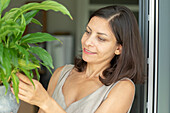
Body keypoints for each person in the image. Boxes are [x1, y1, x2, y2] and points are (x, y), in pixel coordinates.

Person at [12, 5, 145, 113]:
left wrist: (45, 102)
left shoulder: (122, 88)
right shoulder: (61, 74)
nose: (87, 42)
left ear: (119, 49)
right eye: (88, 32)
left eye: (101, 38)